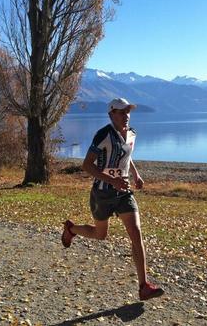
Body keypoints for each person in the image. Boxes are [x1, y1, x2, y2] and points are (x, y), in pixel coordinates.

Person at [61, 97, 164, 301]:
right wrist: (111, 180)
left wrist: (136, 174)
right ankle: (71, 229)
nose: (126, 115)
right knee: (100, 235)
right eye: (121, 112)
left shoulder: (132, 134)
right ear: (111, 114)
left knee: (136, 232)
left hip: (123, 193)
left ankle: (144, 286)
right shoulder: (103, 135)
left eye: (128, 112)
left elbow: (127, 155)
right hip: (102, 193)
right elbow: (87, 165)